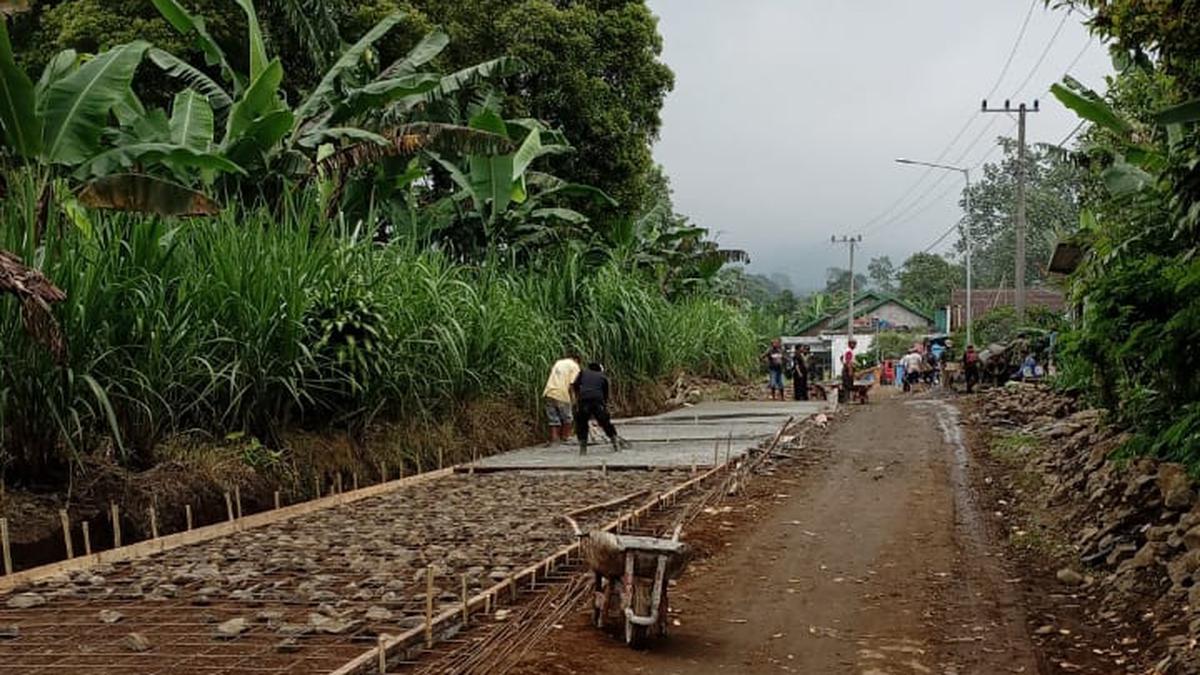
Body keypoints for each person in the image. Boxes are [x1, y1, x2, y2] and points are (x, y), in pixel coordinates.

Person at [572, 362, 626, 454]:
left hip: (583, 400)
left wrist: (578, 397)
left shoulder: (583, 373)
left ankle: (583, 449)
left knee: (581, 423)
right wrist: (604, 406)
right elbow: (605, 394)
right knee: (605, 422)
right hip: (597, 401)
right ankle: (615, 443)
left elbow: (575, 385)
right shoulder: (603, 377)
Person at [542, 352, 580, 446]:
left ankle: (554, 439)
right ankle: (565, 437)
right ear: (577, 360)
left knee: (553, 418)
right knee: (568, 418)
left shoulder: (558, 362)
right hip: (562, 393)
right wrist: (574, 399)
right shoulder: (575, 366)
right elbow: (572, 384)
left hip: (549, 392)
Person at [839, 339, 857, 403]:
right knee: (848, 385)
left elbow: (841, 358)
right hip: (847, 369)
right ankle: (847, 399)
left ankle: (847, 399)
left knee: (846, 385)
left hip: (845, 368)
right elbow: (848, 362)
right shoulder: (849, 351)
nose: (855, 346)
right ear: (850, 344)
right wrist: (850, 371)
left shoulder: (846, 351)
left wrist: (843, 364)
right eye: (854, 344)